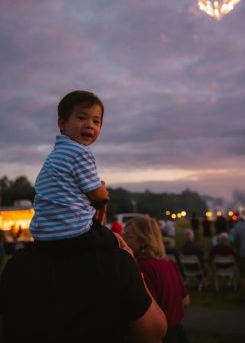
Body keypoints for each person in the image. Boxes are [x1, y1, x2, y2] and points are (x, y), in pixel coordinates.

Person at [0, 225, 167, 343]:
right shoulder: (116, 262)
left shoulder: (17, 263)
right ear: (98, 213)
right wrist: (133, 267)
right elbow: (153, 334)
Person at [29, 90, 116, 247]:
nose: (89, 125)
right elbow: (97, 195)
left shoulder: (56, 154)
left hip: (44, 232)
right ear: (62, 124)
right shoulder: (80, 152)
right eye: (82, 118)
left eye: (96, 121)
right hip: (73, 230)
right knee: (116, 243)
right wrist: (103, 190)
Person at [123, 216, 190, 343]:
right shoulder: (168, 263)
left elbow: (144, 317)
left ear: (144, 241)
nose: (123, 238)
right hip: (177, 334)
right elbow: (185, 301)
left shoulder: (141, 268)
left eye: (128, 235)